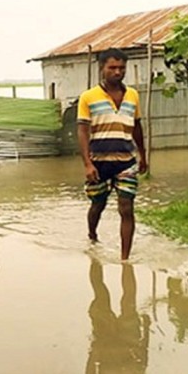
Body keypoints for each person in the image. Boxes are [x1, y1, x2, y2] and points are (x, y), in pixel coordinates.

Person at [77, 48, 148, 260]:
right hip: (99, 162)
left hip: (126, 161)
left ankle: (124, 258)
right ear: (102, 69)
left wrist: (143, 155)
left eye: (121, 68)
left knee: (126, 208)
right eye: (112, 68)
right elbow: (82, 130)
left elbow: (137, 127)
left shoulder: (133, 95)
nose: (117, 72)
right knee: (98, 204)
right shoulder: (88, 97)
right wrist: (87, 164)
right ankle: (92, 235)